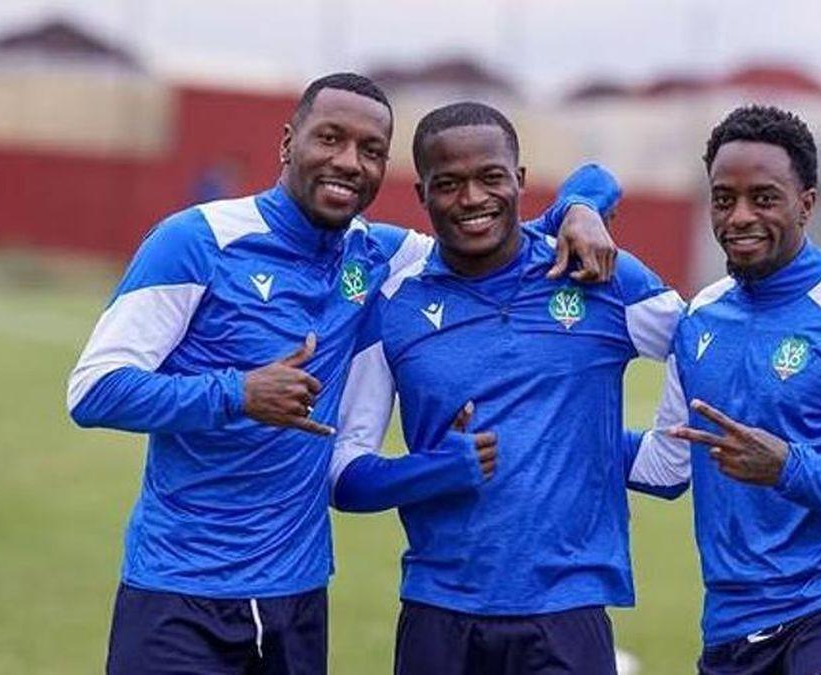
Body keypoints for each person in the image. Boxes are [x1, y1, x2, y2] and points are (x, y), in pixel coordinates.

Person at [66, 72, 617, 675]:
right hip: (178, 588)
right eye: (330, 139)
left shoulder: (379, 254)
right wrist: (239, 393)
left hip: (297, 596)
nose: (349, 161)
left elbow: (501, 226)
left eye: (371, 150)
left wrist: (582, 205)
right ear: (288, 142)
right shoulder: (198, 240)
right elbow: (95, 388)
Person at [327, 102, 687, 675]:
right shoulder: (395, 303)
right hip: (438, 611)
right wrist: (433, 470)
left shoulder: (596, 273)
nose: (472, 199)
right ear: (421, 194)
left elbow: (704, 350)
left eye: (491, 178)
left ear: (519, 181)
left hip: (567, 611)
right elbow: (343, 473)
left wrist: (665, 455)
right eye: (448, 184)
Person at [629, 104, 821, 674]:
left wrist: (788, 468)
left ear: (807, 203)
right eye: (724, 199)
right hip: (734, 619)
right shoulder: (700, 317)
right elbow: (667, 463)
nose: (740, 216)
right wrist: (560, 431)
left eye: (764, 198)